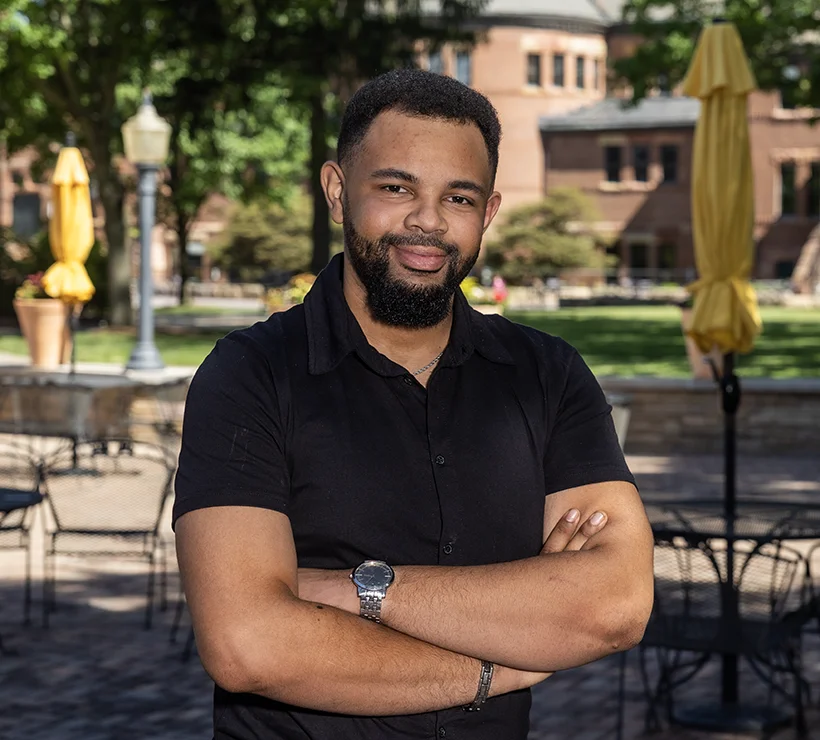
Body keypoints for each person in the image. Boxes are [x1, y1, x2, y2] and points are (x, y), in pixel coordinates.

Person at [173, 68, 654, 740]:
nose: (427, 222)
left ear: (487, 214)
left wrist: (351, 590)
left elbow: (615, 606)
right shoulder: (250, 374)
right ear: (338, 193)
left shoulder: (548, 375)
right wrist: (497, 665)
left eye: (458, 198)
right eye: (396, 187)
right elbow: (248, 646)